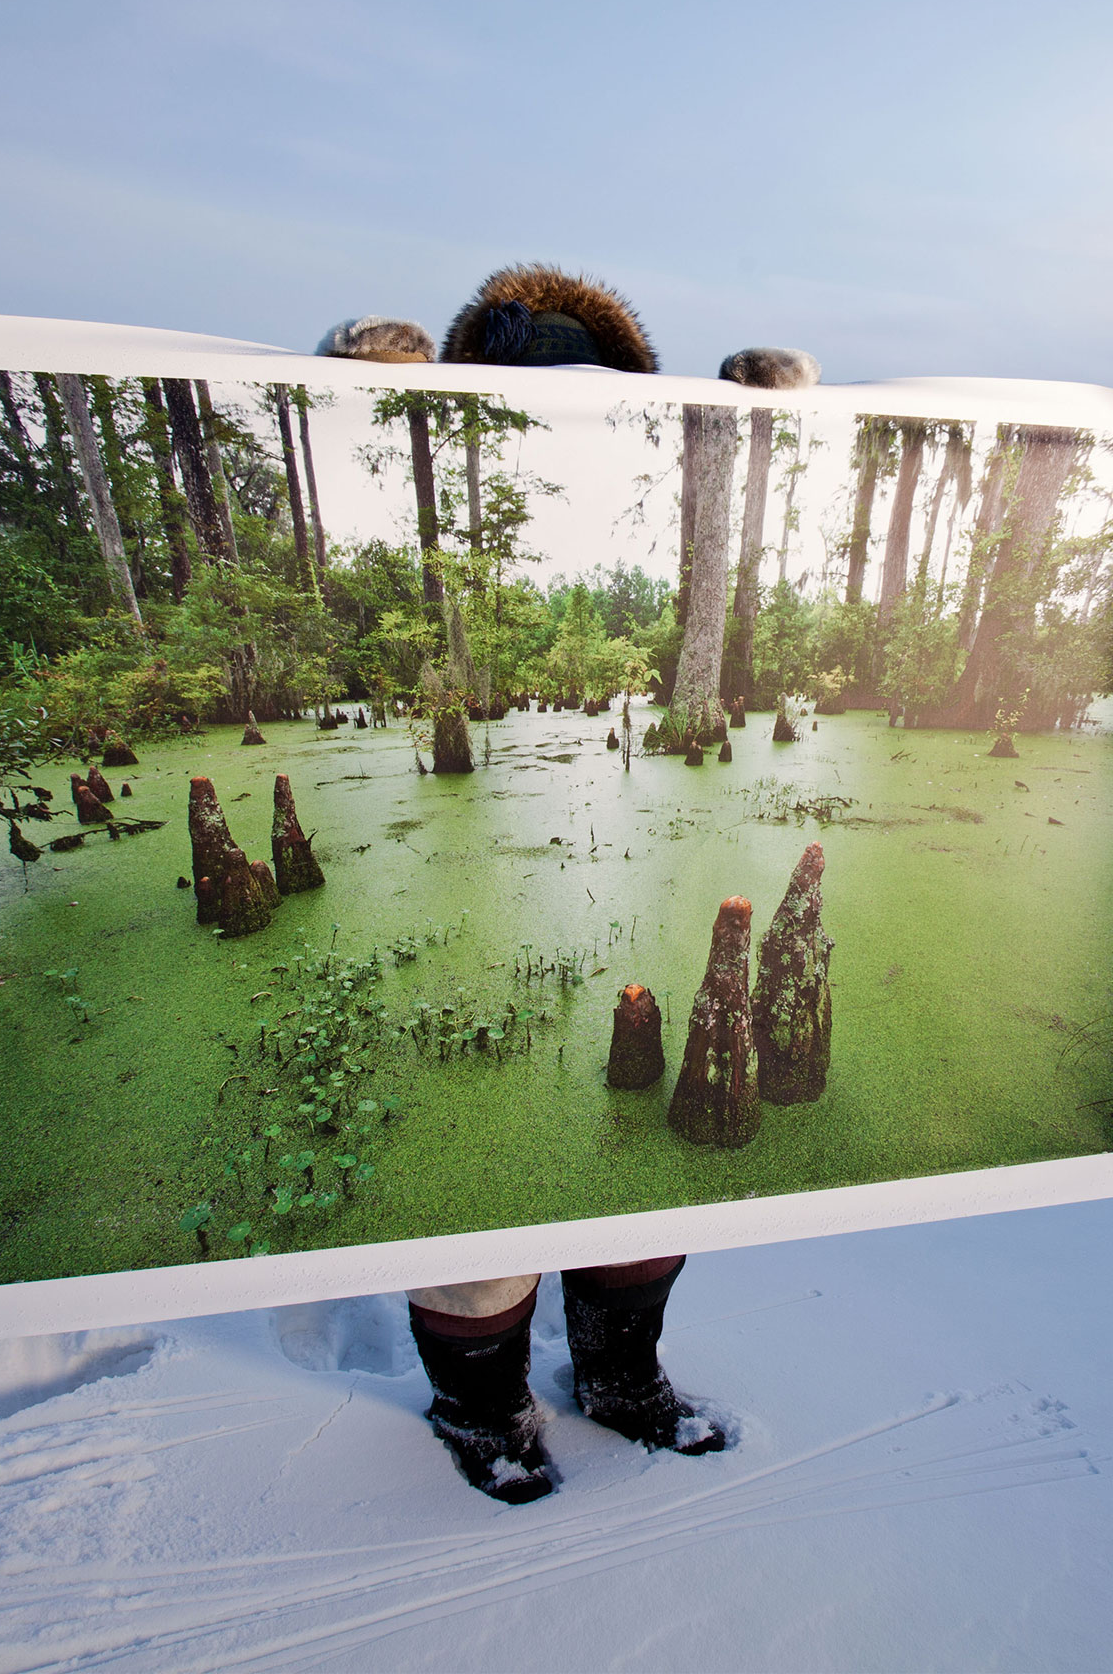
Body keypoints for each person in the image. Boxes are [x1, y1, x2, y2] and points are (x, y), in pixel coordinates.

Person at [317, 264, 820, 1504]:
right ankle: (481, 1409)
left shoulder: (669, 492)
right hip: (453, 879)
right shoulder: (419, 515)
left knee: (636, 1179)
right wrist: (346, 382)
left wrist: (781, 416)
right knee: (476, 1199)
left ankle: (619, 1381)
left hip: (638, 861)